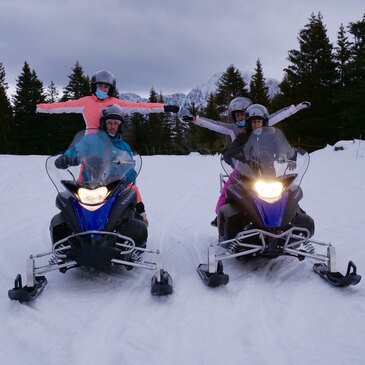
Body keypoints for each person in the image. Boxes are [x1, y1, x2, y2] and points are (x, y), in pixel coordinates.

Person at [55, 104, 149, 226]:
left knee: (133, 192)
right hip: (88, 183)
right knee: (68, 203)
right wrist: (67, 158)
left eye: (116, 123)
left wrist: (125, 178)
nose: (113, 126)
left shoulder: (124, 147)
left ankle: (140, 218)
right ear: (104, 123)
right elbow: (79, 148)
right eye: (110, 123)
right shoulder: (91, 140)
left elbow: (131, 168)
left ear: (120, 125)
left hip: (115, 185)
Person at [37, 70, 179, 129]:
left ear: (110, 89)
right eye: (100, 86)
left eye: (106, 87)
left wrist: (164, 107)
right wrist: (38, 107)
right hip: (90, 145)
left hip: (111, 143)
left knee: (124, 179)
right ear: (94, 86)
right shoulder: (85, 102)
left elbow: (141, 106)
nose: (103, 89)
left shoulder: (116, 103)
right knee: (83, 178)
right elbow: (59, 107)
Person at [182, 98, 310, 142]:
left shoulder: (260, 123)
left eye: (242, 114)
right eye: (237, 115)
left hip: (263, 164)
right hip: (240, 168)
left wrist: (296, 108)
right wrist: (195, 119)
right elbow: (214, 125)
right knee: (228, 190)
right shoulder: (232, 129)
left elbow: (279, 115)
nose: (240, 117)